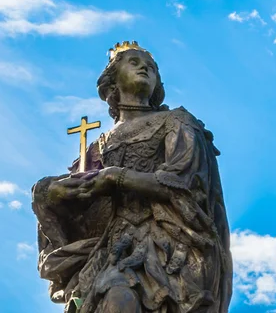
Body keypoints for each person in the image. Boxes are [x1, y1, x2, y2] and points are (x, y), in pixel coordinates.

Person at [32, 42, 231, 313]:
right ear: (112, 82)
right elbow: (80, 204)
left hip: (166, 244)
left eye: (151, 67)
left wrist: (117, 177)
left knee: (119, 299)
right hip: (109, 249)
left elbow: (186, 185)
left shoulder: (177, 121)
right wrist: (49, 193)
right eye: (134, 62)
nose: (145, 67)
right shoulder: (96, 148)